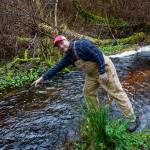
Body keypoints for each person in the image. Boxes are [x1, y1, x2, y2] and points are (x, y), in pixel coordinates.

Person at [32, 35, 139, 132]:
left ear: (66, 40)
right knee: (88, 92)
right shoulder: (68, 57)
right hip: (92, 75)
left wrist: (102, 72)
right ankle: (96, 116)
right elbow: (57, 68)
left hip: (105, 69)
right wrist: (42, 78)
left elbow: (97, 54)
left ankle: (132, 119)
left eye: (61, 43)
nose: (60, 46)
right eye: (58, 45)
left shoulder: (82, 44)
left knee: (116, 92)